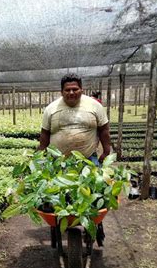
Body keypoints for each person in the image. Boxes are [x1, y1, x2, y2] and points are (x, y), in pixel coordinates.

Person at [39, 73, 111, 246]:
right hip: (59, 162)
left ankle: (94, 227)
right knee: (58, 195)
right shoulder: (51, 109)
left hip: (87, 159)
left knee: (94, 194)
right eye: (67, 90)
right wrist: (38, 159)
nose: (71, 93)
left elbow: (104, 129)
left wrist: (106, 150)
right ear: (61, 91)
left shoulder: (94, 106)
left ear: (81, 89)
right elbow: (45, 135)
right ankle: (62, 222)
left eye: (75, 89)